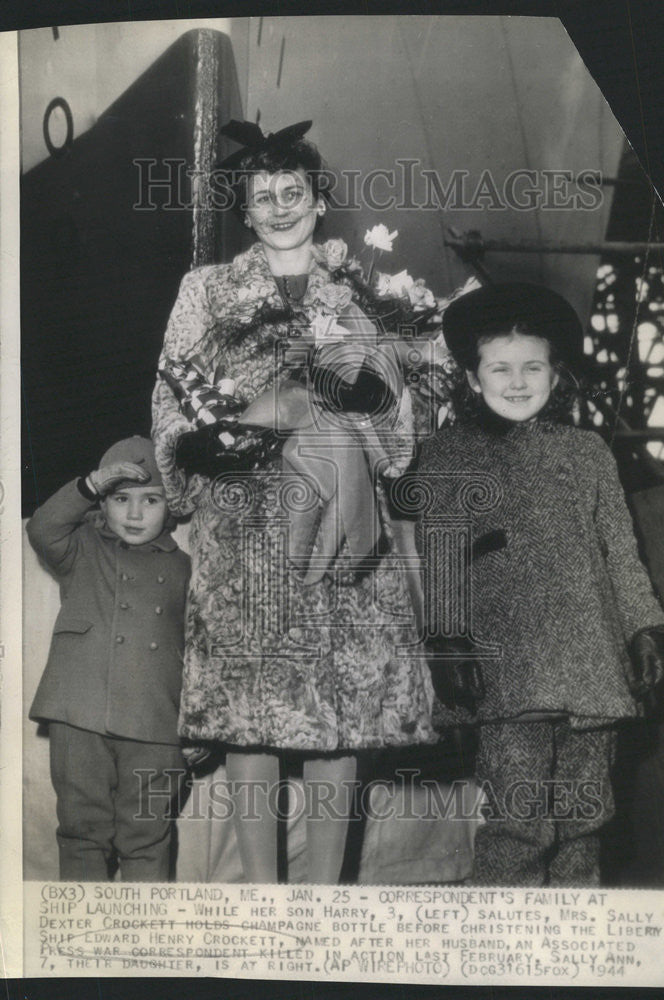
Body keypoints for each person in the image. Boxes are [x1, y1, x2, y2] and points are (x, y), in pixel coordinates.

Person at [151, 120, 434, 884]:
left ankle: (320, 900)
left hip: (345, 521)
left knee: (337, 712)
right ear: (244, 211)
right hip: (242, 523)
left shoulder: (362, 290)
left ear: (318, 201)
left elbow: (405, 422)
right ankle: (264, 899)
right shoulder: (205, 290)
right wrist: (191, 444)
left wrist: (368, 395)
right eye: (261, 196)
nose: (278, 207)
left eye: (293, 193)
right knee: (250, 710)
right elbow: (170, 392)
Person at [414, 282, 664, 886]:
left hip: (592, 669)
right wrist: (449, 639)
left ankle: (570, 956)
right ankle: (500, 954)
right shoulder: (448, 454)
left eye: (532, 366)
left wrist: (645, 630)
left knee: (585, 819)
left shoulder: (589, 454)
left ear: (555, 377)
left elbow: (623, 556)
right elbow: (442, 556)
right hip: (509, 674)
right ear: (473, 378)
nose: (517, 380)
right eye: (499, 367)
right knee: (520, 822)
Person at [27, 436, 190, 881]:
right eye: (120, 498)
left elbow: (205, 651)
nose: (134, 514)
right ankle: (81, 940)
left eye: (150, 499)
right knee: (82, 832)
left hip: (156, 723)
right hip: (78, 711)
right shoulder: (81, 548)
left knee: (148, 835)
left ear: (171, 505)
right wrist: (89, 484)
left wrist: (199, 725)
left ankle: (145, 942)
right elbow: (42, 527)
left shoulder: (187, 568)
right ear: (103, 502)